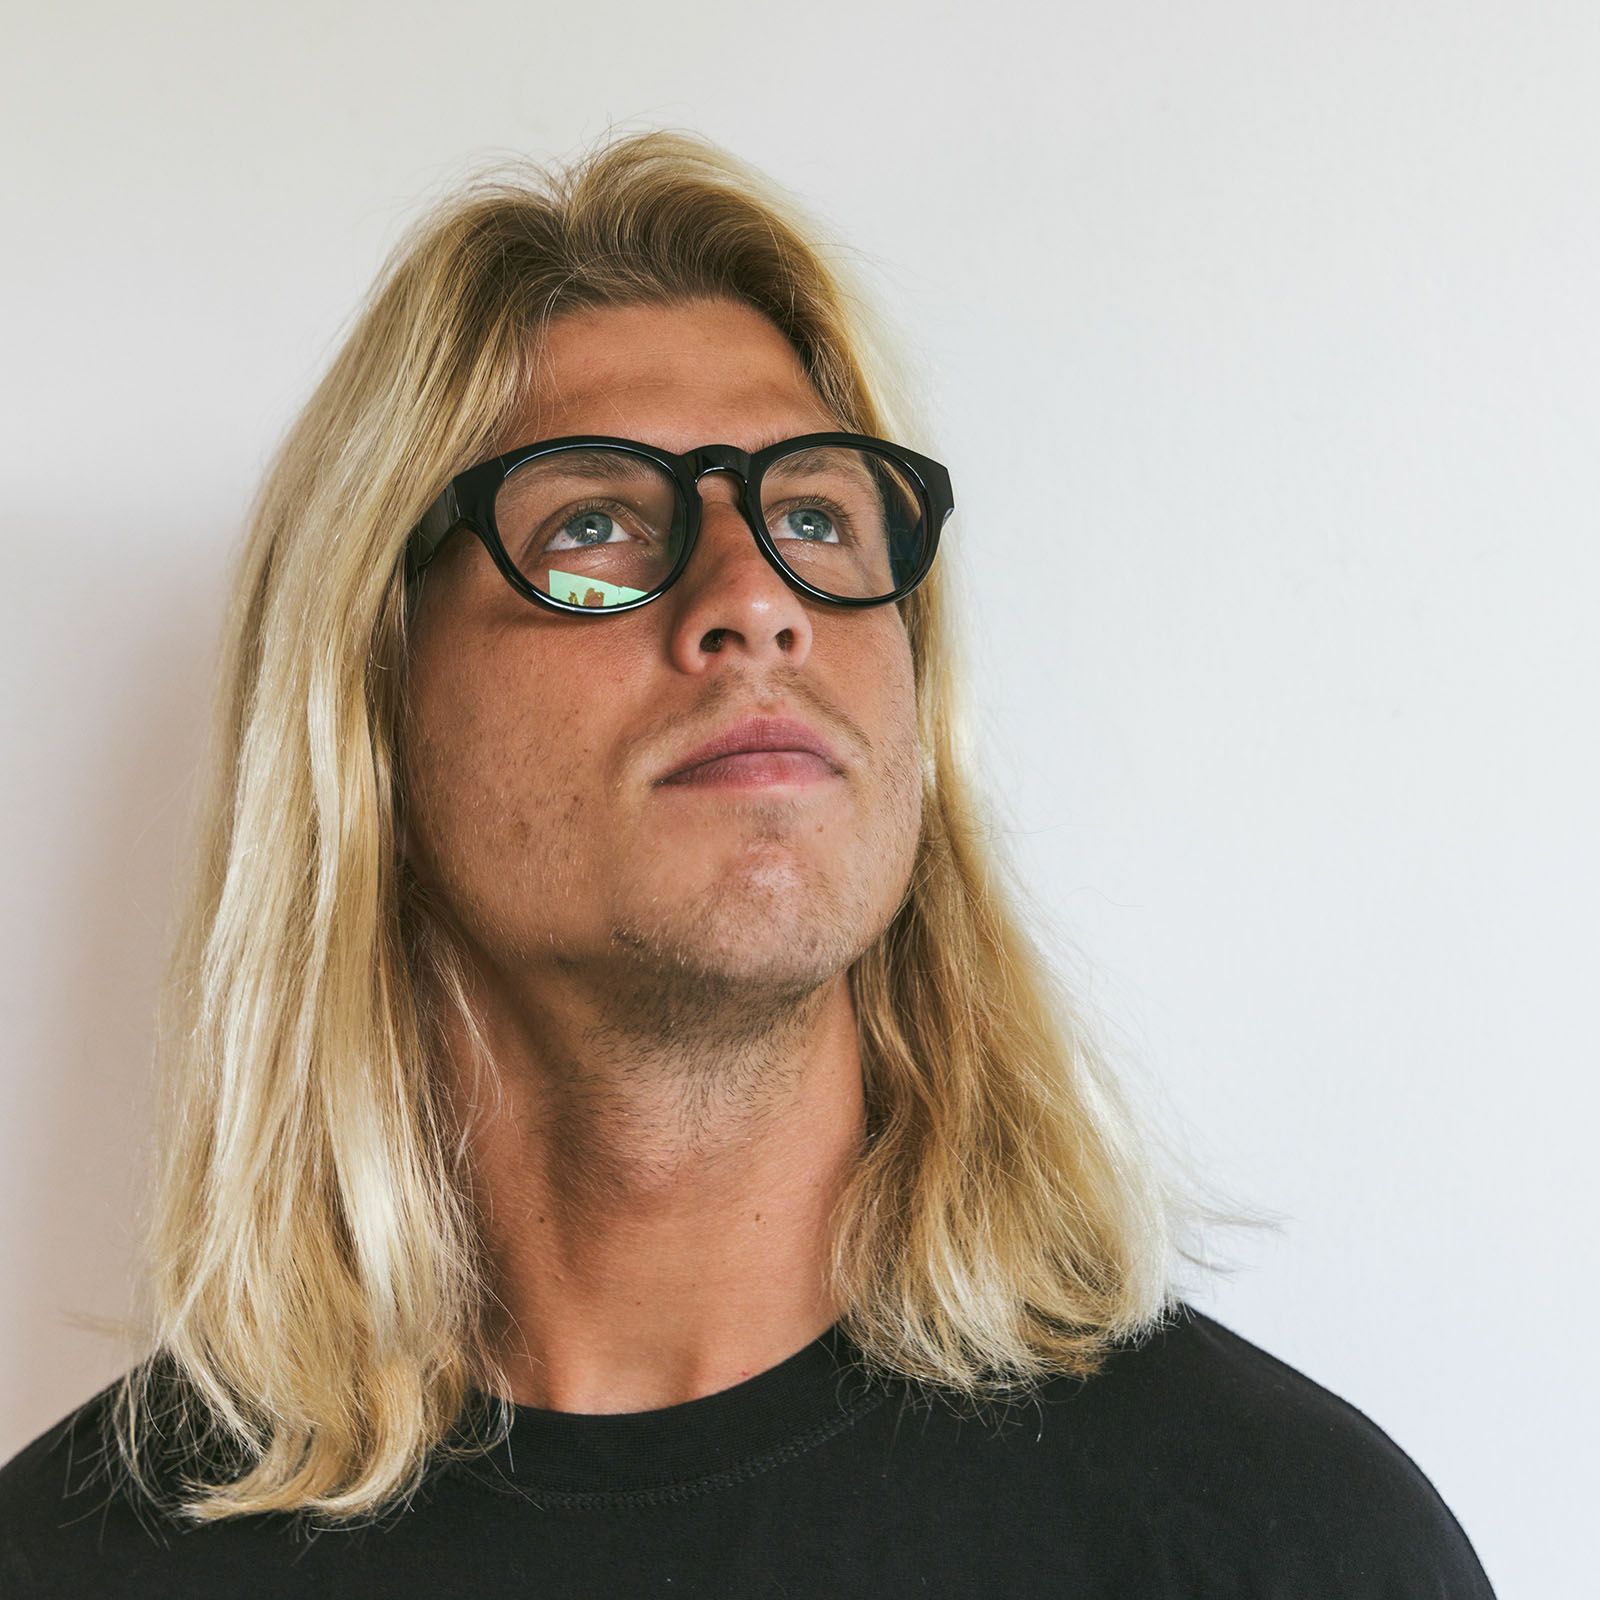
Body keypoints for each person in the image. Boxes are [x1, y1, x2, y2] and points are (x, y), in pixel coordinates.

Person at [0, 129, 1497, 1597]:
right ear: (369, 697)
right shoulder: (67, 1561)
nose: (755, 597)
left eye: (814, 517)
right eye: (594, 520)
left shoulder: (1277, 1543)